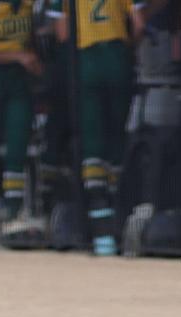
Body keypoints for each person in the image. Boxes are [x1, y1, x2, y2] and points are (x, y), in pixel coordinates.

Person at [49, 0, 145, 255]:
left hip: (85, 57)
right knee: (116, 136)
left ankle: (98, 217)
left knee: (91, 137)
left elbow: (62, 33)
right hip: (116, 55)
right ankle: (115, 211)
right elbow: (139, 24)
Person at [0, 0, 43, 242]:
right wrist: (17, 56)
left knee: (18, 146)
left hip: (19, 80)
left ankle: (14, 214)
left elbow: (32, 41)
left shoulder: (29, 4)